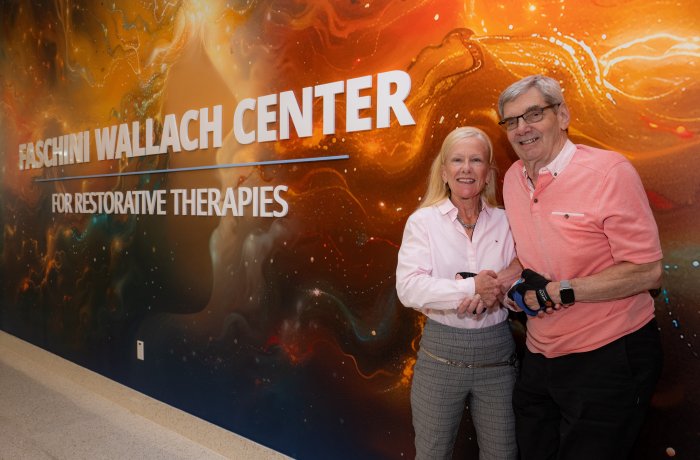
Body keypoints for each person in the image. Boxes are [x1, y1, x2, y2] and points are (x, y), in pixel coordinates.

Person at [497, 74, 663, 460]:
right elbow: (533, 251)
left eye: (534, 114)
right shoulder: (512, 179)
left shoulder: (609, 172)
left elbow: (647, 271)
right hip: (540, 358)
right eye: (511, 121)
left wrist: (559, 291)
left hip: (608, 357)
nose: (522, 128)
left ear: (563, 115)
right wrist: (507, 277)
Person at [396, 126, 521, 460]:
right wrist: (470, 288)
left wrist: (504, 291)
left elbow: (520, 277)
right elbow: (408, 288)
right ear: (444, 172)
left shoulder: (508, 222)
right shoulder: (423, 222)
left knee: (503, 453)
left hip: (498, 358)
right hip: (440, 358)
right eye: (457, 160)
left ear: (488, 172)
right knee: (433, 452)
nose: (466, 168)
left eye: (476, 160)